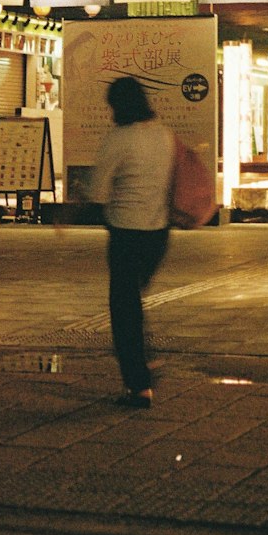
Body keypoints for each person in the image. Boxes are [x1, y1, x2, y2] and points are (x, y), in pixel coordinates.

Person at [87, 76, 174, 409]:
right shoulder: (163, 134)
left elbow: (98, 191)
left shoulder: (119, 139)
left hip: (126, 232)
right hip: (158, 234)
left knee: (124, 311)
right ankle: (144, 360)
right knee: (133, 303)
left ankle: (139, 384)